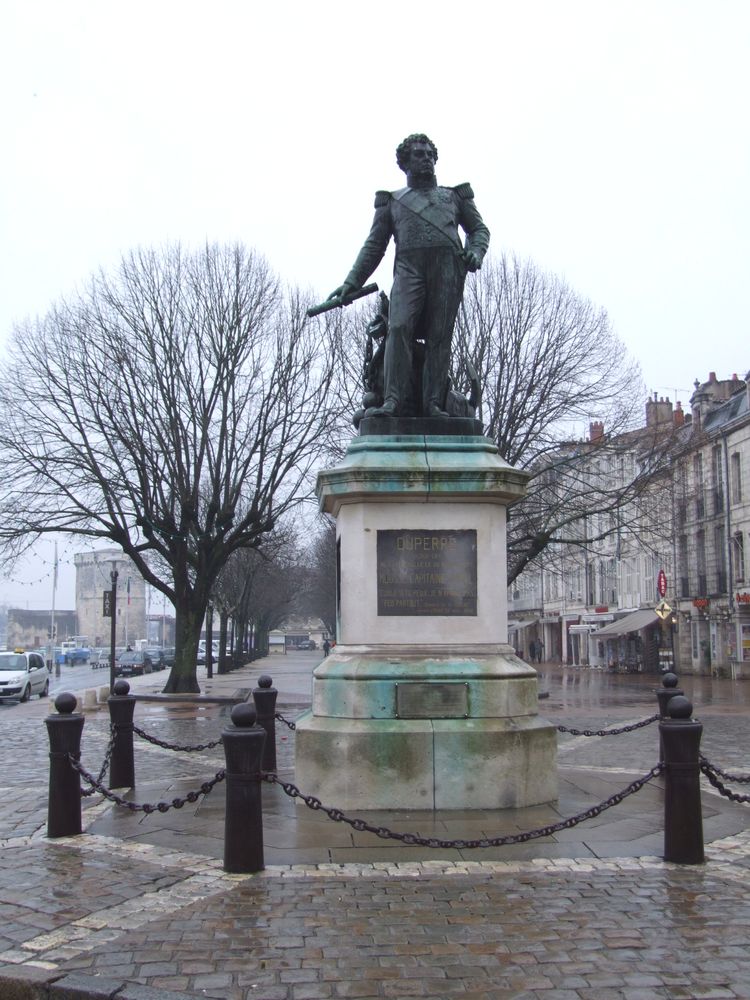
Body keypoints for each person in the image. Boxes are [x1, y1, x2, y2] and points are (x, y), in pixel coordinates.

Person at [329, 134, 490, 418]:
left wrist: (475, 251)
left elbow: (479, 230)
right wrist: (351, 282)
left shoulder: (454, 196)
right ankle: (393, 402)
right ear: (405, 163)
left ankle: (433, 404)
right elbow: (374, 246)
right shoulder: (392, 202)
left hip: (447, 272)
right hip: (409, 270)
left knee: (440, 338)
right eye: (418, 154)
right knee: (399, 329)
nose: (426, 158)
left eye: (429, 154)